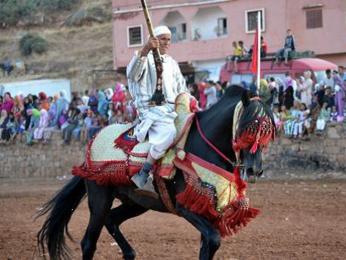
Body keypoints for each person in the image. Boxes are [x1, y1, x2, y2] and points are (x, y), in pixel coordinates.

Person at [127, 25, 187, 196]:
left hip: (172, 109)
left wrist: (189, 101)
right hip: (151, 111)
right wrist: (146, 49)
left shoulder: (172, 63)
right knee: (169, 133)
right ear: (154, 40)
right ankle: (144, 173)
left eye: (169, 39)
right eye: (163, 39)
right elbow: (132, 74)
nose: (166, 42)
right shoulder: (144, 58)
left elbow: (181, 87)